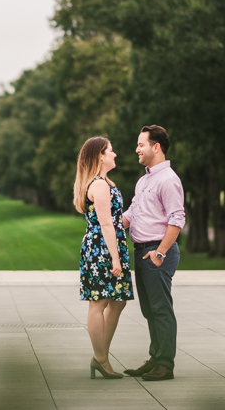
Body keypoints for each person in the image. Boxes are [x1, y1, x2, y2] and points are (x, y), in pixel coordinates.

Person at [122, 125, 184, 381]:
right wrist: (104, 227)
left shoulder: (168, 179)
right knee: (149, 310)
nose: (137, 149)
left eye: (141, 144)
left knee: (161, 310)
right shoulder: (144, 179)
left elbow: (177, 218)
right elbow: (131, 213)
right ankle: (155, 357)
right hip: (142, 252)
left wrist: (160, 252)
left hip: (157, 252)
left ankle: (165, 365)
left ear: (155, 146)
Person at [74, 136, 134, 379]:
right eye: (111, 150)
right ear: (100, 155)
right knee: (98, 302)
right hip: (102, 248)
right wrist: (115, 259)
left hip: (109, 245)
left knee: (118, 301)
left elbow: (116, 222)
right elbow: (106, 224)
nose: (115, 154)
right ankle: (100, 358)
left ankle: (101, 355)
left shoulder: (106, 182)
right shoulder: (98, 185)